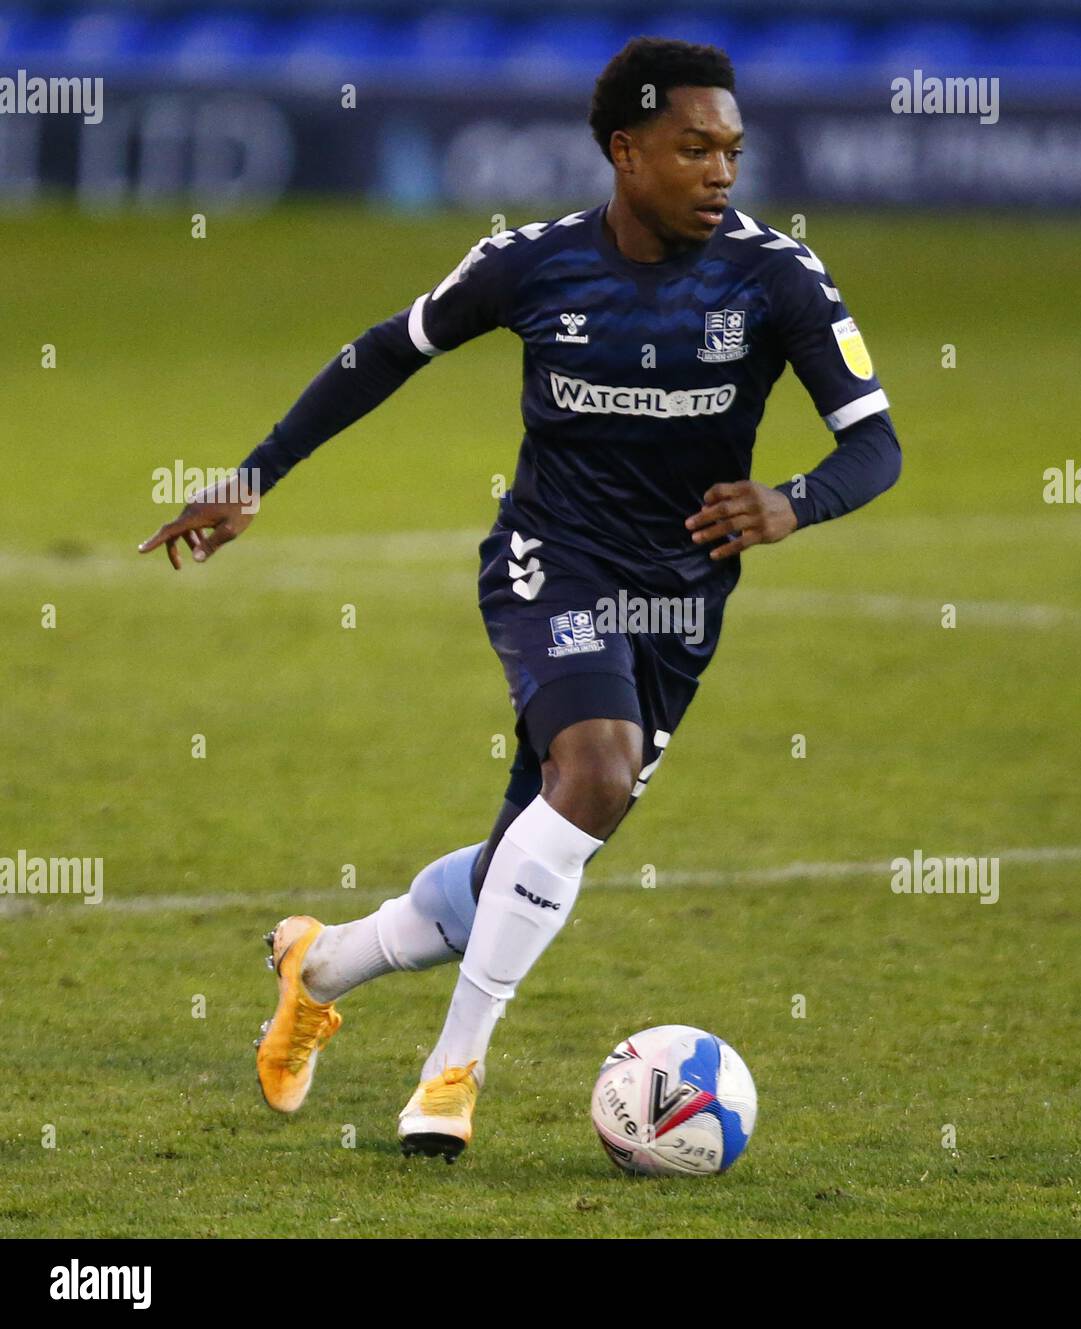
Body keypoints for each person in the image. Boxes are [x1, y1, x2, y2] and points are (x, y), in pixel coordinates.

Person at [138, 36, 902, 1161]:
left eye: (731, 150)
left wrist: (795, 501)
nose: (719, 171)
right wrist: (254, 477)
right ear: (622, 150)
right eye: (692, 148)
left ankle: (321, 964)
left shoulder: (777, 277)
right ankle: (452, 1074)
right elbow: (383, 353)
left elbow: (875, 446)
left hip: (681, 606)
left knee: (526, 860)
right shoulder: (530, 263)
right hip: (552, 563)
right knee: (592, 774)